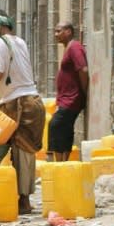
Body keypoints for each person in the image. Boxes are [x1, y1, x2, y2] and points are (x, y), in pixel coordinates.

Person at [0, 9, 45, 214]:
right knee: (22, 152)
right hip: (30, 102)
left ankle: (23, 200)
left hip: (20, 104)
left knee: (21, 152)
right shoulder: (19, 41)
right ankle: (18, 197)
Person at [49, 21, 88, 162]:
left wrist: (83, 91)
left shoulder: (75, 47)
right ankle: (64, 163)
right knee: (65, 128)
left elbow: (83, 69)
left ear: (69, 31)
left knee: (56, 125)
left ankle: (59, 163)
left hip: (72, 98)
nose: (56, 34)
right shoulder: (69, 48)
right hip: (67, 98)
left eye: (59, 31)